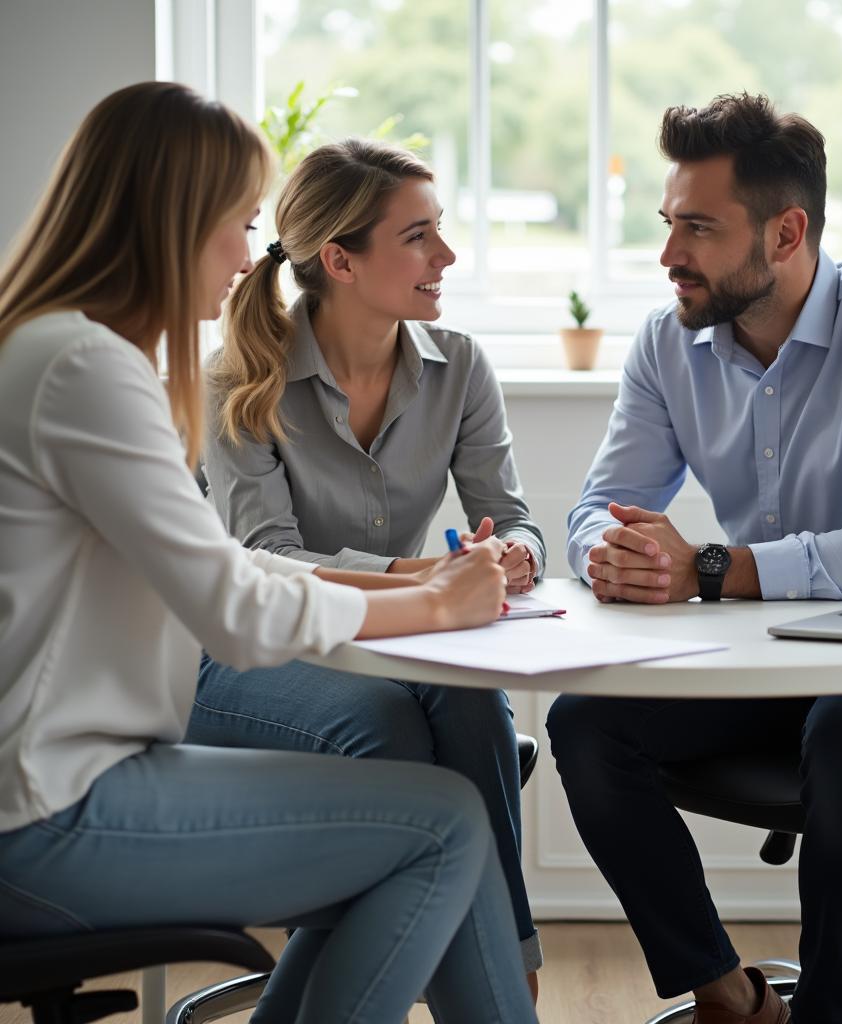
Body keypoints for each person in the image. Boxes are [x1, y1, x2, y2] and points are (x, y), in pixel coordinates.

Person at [0, 81, 538, 1024]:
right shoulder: (85, 369)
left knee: (402, 828)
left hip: (67, 779)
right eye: (239, 223)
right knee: (442, 823)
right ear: (173, 220)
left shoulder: (59, 353)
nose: (251, 256)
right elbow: (236, 610)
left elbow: (231, 567)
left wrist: (435, 595)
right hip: (46, 808)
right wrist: (429, 603)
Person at [547, 93, 842, 1024]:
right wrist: (615, 554)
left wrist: (705, 569)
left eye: (698, 228)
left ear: (786, 232)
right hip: (775, 658)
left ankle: (834, 1012)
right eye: (669, 223)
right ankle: (727, 995)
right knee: (589, 723)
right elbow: (593, 508)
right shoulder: (669, 345)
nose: (669, 254)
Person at [187, 138, 545, 992]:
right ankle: (505, 966)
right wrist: (420, 579)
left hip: (392, 650)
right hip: (244, 656)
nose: (447, 257)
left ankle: (493, 960)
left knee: (455, 698)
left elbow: (520, 519)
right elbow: (264, 559)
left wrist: (514, 556)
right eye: (418, 236)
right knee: (394, 730)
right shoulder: (240, 378)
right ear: (340, 260)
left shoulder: (459, 367)